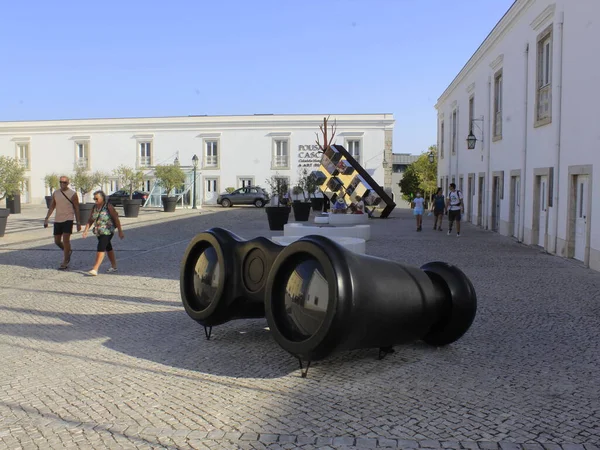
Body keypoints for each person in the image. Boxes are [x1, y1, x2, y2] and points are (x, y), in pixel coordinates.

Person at [82, 190, 124, 276]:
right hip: (99, 231)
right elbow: (90, 219)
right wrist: (85, 230)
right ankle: (114, 266)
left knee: (101, 247)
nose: (95, 200)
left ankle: (95, 268)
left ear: (102, 198)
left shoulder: (108, 206)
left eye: (96, 198)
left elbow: (116, 219)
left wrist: (120, 231)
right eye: (94, 198)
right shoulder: (94, 207)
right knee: (108, 247)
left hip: (108, 231)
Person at [44, 176, 81, 270]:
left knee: (66, 240)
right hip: (58, 219)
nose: (62, 184)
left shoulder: (73, 194)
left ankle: (65, 261)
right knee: (57, 241)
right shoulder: (56, 193)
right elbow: (52, 206)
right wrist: (46, 218)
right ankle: (68, 251)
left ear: (68, 183)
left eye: (64, 182)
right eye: (61, 182)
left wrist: (78, 222)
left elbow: (76, 208)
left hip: (68, 219)